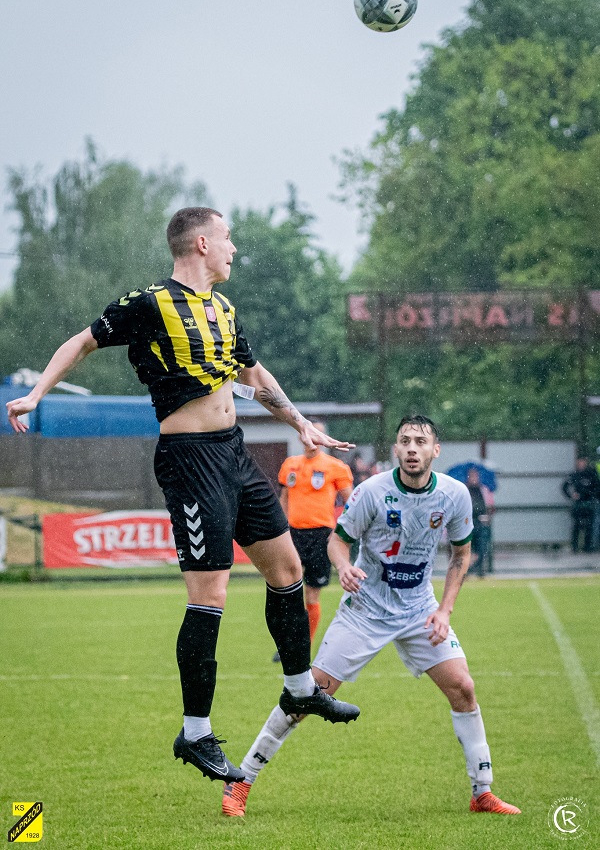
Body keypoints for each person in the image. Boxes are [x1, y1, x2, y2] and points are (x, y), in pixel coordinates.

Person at [6, 206, 360, 785]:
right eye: (227, 238)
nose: (234, 249)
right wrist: (37, 394)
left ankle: (300, 688)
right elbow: (82, 342)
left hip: (234, 452)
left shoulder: (223, 308)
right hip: (190, 461)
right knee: (210, 595)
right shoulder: (150, 303)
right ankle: (195, 732)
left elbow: (254, 375)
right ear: (200, 243)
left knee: (288, 568)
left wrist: (301, 423)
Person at [222, 414, 521, 817]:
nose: (412, 448)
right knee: (307, 695)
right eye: (405, 441)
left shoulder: (454, 495)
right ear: (395, 449)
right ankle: (240, 782)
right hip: (365, 611)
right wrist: (344, 566)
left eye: (420, 442)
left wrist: (445, 610)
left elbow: (460, 556)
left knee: (463, 688)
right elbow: (338, 541)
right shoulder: (372, 492)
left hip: (420, 611)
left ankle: (482, 792)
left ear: (435, 450)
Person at [273, 421, 353, 660]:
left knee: (311, 595)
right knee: (288, 592)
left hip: (321, 536)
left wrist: (340, 532)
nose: (312, 439)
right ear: (301, 437)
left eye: (318, 434)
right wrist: (282, 529)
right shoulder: (290, 465)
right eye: (309, 434)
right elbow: (284, 498)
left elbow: (353, 503)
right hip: (293, 535)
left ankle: (304, 645)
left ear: (324, 438)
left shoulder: (335, 467)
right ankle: (288, 643)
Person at [562, 457, 600, 554]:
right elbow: (564, 487)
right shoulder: (574, 475)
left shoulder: (591, 474)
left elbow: (597, 488)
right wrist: (571, 495)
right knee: (576, 526)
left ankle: (587, 547)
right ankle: (575, 547)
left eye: (583, 462)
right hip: (578, 504)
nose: (581, 464)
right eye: (579, 462)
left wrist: (590, 495)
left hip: (589, 503)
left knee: (589, 526)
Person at [465, 467, 493, 577]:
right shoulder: (464, 489)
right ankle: (468, 569)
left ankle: (479, 569)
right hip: (468, 523)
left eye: (475, 476)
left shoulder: (484, 489)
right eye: (471, 476)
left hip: (481, 523)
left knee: (481, 547)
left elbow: (490, 506)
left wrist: (487, 515)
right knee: (468, 548)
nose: (474, 478)